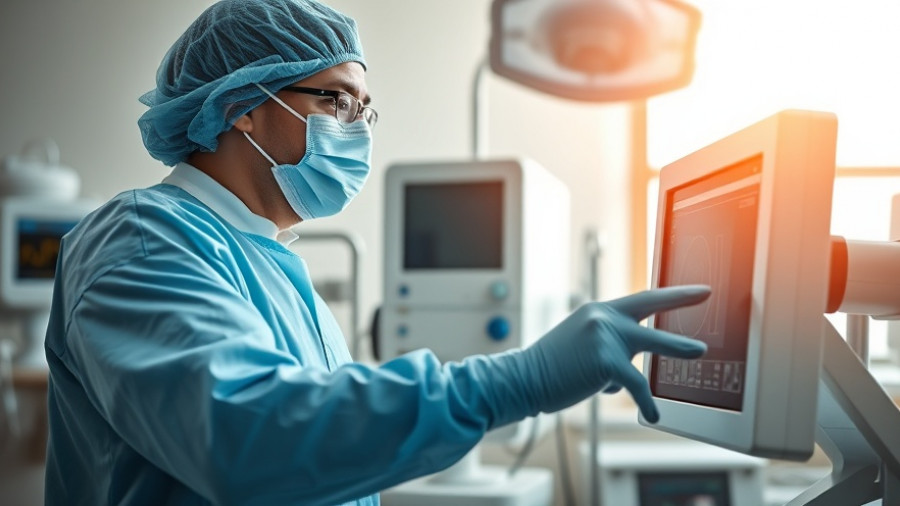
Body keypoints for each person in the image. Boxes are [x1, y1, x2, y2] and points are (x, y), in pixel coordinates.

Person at [43, 1, 711, 504]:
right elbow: (248, 437)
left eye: (365, 111)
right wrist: (519, 380)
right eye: (337, 100)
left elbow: (322, 443)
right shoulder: (140, 239)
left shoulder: (268, 259)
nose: (356, 131)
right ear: (242, 105)